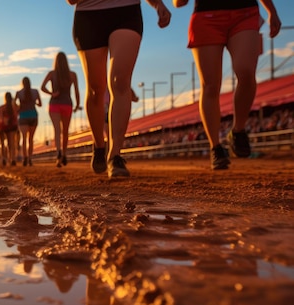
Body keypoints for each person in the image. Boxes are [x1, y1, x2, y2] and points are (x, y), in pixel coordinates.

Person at [173, 0, 281, 170]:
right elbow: (178, 3)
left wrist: (272, 11)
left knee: (246, 72)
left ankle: (238, 130)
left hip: (245, 13)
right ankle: (215, 147)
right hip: (206, 17)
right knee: (210, 86)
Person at [67, 0, 171, 177]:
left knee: (120, 81)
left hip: (126, 11)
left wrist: (158, 4)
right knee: (95, 89)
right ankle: (99, 144)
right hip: (89, 15)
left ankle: (115, 155)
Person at [40, 51, 80, 168]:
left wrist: (52, 93)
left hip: (54, 104)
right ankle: (65, 154)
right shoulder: (72, 74)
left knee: (57, 130)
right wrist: (77, 104)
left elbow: (42, 87)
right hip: (67, 104)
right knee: (65, 131)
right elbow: (76, 91)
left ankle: (58, 152)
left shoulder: (52, 74)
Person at [14, 76, 42, 167]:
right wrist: (34, 103)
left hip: (23, 116)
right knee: (31, 139)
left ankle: (25, 157)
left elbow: (14, 105)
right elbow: (40, 104)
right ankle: (30, 158)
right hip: (33, 115)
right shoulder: (35, 92)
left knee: (24, 138)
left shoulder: (19, 93)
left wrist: (19, 108)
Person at [0, 92, 19, 166]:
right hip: (12, 126)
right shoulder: (14, 107)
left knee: (2, 144)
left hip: (2, 127)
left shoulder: (0, 108)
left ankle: (4, 159)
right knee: (11, 143)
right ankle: (12, 159)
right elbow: (19, 111)